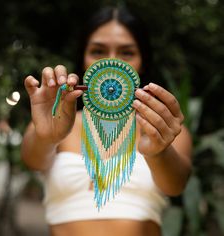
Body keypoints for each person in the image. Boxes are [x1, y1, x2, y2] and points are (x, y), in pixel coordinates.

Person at [21, 5, 192, 236]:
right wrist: (48, 138)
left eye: (127, 52)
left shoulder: (162, 129)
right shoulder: (55, 121)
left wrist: (158, 152)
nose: (112, 62)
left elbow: (175, 185)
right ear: (83, 58)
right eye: (98, 51)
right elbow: (33, 161)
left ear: (143, 61)